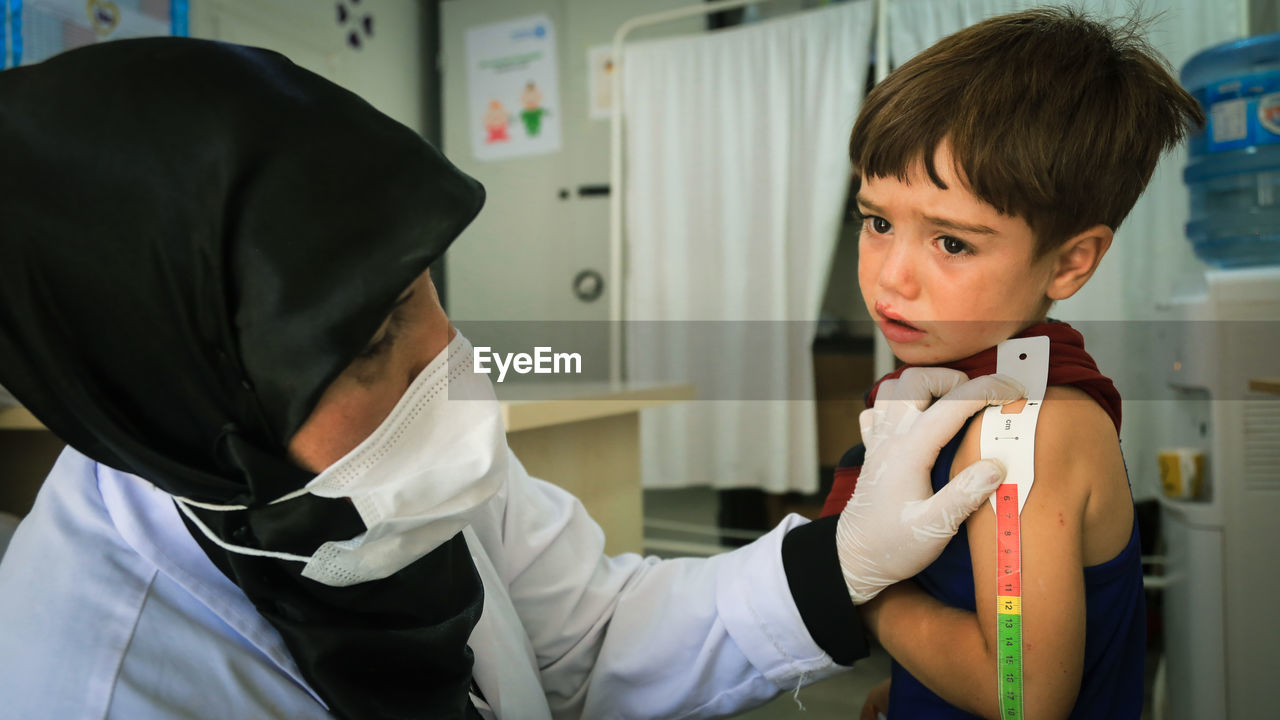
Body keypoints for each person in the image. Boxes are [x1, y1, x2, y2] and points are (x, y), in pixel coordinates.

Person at [0, 38, 1025, 719]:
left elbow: (587, 632)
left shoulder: (378, 479)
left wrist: (841, 564)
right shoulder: (95, 684)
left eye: (425, 289)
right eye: (366, 342)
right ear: (181, 404)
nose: (449, 363)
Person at [818, 8, 1204, 720]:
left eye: (953, 243)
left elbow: (1019, 692)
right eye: (878, 222)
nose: (891, 279)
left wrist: (859, 585)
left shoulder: (1030, 425)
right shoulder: (958, 387)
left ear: (1069, 262)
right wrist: (910, 686)